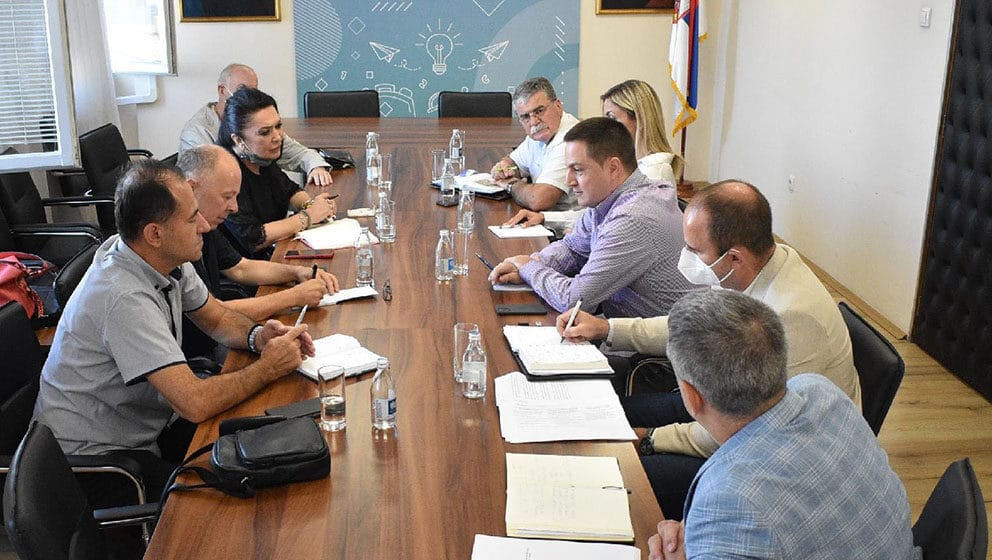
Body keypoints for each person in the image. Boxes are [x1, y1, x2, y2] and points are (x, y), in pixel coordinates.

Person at [558, 180, 859, 517]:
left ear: (734, 257)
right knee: (611, 414)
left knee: (616, 475)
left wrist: (650, 439)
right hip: (733, 407)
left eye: (696, 251)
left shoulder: (791, 317)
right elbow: (689, 327)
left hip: (775, 460)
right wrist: (607, 328)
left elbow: (749, 428)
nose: (686, 259)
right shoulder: (753, 267)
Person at [31, 159, 316, 496]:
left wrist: (258, 337)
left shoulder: (161, 258)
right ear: (155, 234)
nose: (205, 226)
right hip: (96, 465)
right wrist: (268, 367)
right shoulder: (122, 297)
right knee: (226, 498)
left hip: (145, 427)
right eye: (192, 219)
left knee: (266, 444)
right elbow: (193, 403)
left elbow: (217, 318)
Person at [646, 289, 915, 559]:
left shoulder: (729, 499)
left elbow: (736, 513)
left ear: (691, 396)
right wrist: (702, 536)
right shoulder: (820, 390)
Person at [488, 117, 695, 318]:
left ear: (613, 168)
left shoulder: (632, 218)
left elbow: (573, 300)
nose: (569, 181)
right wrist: (533, 263)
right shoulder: (609, 198)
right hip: (623, 323)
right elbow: (573, 248)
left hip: (666, 339)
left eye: (578, 170)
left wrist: (529, 268)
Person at [177, 145, 340, 360]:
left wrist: (298, 272)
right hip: (204, 353)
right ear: (192, 189)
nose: (234, 207)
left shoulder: (206, 225)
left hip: (225, 337)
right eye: (226, 197)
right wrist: (293, 296)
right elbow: (214, 314)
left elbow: (241, 268)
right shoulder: (178, 239)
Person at [504, 79, 682, 229]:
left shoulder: (653, 171)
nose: (605, 126)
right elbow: (597, 214)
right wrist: (546, 218)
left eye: (612, 118)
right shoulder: (628, 161)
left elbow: (613, 223)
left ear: (639, 118)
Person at [218, 87, 336, 260]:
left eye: (278, 126)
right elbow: (253, 238)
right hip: (246, 268)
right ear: (238, 140)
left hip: (272, 255)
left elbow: (290, 192)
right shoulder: (224, 173)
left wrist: (313, 205)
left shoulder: (261, 158)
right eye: (265, 132)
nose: (278, 137)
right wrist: (308, 216)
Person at [179, 63, 333, 188]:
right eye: (242, 90)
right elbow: (208, 185)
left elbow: (298, 153)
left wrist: (316, 167)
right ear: (222, 90)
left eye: (252, 91)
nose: (247, 96)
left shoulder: (260, 125)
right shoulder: (196, 132)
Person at [489, 77, 580, 212]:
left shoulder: (571, 140)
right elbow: (514, 162)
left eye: (539, 111)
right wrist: (504, 168)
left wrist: (510, 184)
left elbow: (539, 200)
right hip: (544, 217)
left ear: (558, 106)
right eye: (525, 117)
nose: (533, 122)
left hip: (569, 223)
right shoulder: (540, 134)